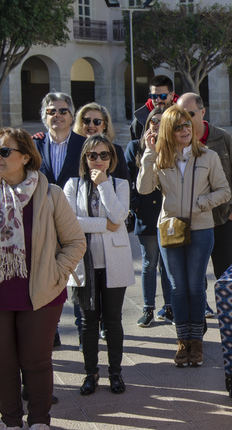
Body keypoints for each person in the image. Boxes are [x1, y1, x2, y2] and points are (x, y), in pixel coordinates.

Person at [0, 128, 85, 430]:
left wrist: (57, 274)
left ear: (25, 156)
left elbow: (75, 242)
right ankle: (10, 421)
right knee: (3, 365)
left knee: (36, 363)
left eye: (4, 152)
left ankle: (39, 421)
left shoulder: (50, 194)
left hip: (40, 293)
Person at [137, 105, 231, 367]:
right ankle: (183, 342)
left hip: (201, 227)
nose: (184, 130)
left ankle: (197, 343)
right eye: (178, 127)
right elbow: (144, 189)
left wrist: (201, 203)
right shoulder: (160, 158)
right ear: (168, 130)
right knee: (177, 288)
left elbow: (224, 191)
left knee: (195, 285)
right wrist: (148, 152)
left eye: (187, 125)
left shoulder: (208, 156)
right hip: (169, 227)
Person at [64, 135, 135, 396]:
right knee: (88, 322)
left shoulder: (120, 184)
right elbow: (70, 223)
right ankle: (90, 373)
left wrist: (104, 185)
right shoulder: (72, 186)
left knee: (113, 321)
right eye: (93, 155)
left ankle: (115, 373)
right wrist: (104, 225)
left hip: (113, 262)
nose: (98, 160)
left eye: (104, 155)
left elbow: (119, 216)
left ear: (112, 158)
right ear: (84, 158)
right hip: (85, 263)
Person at [177, 93, 232, 319]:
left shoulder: (222, 138)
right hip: (192, 221)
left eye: (190, 114)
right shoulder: (178, 140)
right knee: (194, 275)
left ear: (202, 112)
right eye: (181, 114)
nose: (185, 120)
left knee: (226, 271)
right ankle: (200, 314)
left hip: (221, 219)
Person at [33, 92, 87, 349]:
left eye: (63, 111)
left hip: (74, 221)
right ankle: (50, 329)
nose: (57, 116)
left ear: (71, 114)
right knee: (45, 275)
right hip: (42, 222)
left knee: (77, 277)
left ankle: (84, 327)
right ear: (44, 116)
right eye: (52, 111)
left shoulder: (84, 144)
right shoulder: (33, 145)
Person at [125, 107, 174, 327]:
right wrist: (134, 205)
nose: (156, 124)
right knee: (149, 263)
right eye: (153, 120)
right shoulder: (135, 147)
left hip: (167, 216)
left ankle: (170, 307)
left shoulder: (172, 149)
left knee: (166, 265)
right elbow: (127, 179)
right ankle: (148, 309)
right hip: (145, 216)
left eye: (161, 121)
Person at [72, 102, 128, 181]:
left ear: (105, 125)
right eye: (87, 121)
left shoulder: (116, 151)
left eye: (97, 122)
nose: (91, 125)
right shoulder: (72, 149)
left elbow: (124, 182)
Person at [130, 75, 177, 141]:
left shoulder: (182, 116)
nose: (158, 100)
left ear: (172, 95)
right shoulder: (140, 120)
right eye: (154, 96)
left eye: (163, 96)